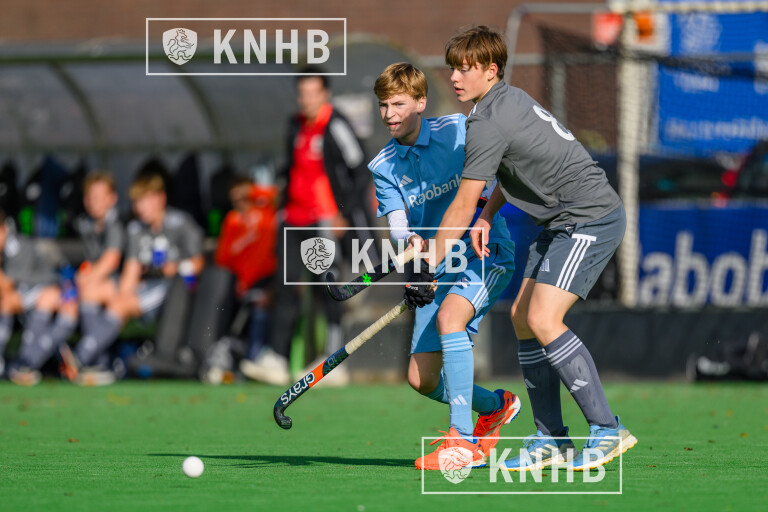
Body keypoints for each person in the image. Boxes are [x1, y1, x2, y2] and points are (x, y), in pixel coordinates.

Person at [410, 25, 637, 471]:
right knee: (522, 318)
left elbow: (461, 202)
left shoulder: (487, 121)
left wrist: (428, 266)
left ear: (491, 70)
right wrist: (488, 215)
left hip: (589, 217)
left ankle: (607, 428)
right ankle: (551, 438)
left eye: (465, 69)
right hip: (559, 221)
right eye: (452, 68)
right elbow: (510, 171)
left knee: (543, 318)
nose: (454, 77)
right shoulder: (506, 101)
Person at [370, 63, 520, 470]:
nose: (389, 114)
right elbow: (397, 225)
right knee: (421, 380)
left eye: (398, 104)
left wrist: (484, 215)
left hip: (484, 252)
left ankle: (461, 441)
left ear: (421, 102)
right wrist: (410, 241)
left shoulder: (457, 129)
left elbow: (500, 172)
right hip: (435, 268)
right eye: (383, 105)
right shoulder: (383, 166)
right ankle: (496, 406)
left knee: (451, 319)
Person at [240, 66, 372, 386]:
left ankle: (334, 361)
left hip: (323, 220)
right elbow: (293, 168)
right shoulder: (295, 126)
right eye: (303, 94)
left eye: (314, 93)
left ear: (325, 94)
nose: (307, 100)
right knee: (285, 288)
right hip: (293, 220)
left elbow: (360, 171)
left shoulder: (336, 125)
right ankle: (277, 357)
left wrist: (343, 213)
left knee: (326, 288)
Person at [66, 170, 204, 385]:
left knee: (119, 304)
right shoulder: (135, 228)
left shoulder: (180, 222)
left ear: (161, 198)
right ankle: (99, 363)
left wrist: (176, 267)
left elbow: (198, 263)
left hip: (176, 291)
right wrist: (122, 295)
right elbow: (131, 269)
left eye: (145, 201)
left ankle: (81, 356)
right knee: (94, 293)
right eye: (137, 202)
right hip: (148, 287)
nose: (140, 208)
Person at [55, 172, 126, 381]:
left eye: (99, 197)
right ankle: (97, 362)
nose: (94, 202)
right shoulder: (88, 224)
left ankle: (86, 358)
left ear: (112, 198)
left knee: (88, 291)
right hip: (107, 283)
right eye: (90, 197)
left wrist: (84, 280)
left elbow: (111, 260)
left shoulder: (116, 222)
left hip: (132, 285)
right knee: (75, 294)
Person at [213, 176, 278, 370]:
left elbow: (278, 194)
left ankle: (254, 359)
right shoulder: (232, 220)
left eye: (243, 196)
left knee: (260, 305)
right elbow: (222, 258)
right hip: (240, 283)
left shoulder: (266, 213)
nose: (239, 201)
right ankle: (224, 360)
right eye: (235, 197)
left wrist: (252, 191)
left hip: (267, 280)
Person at [0, 210, 70, 385]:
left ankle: (27, 362)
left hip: (46, 289)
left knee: (7, 301)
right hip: (28, 292)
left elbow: (7, 284)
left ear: (3, 229)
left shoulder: (15, 245)